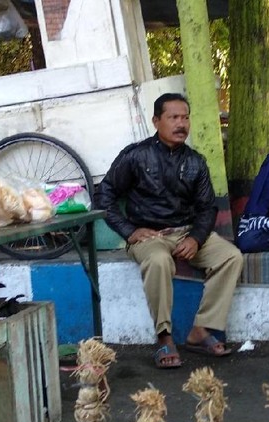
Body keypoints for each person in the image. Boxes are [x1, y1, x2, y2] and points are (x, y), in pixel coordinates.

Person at [96, 93, 243, 369]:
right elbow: (104, 196)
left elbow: (207, 208)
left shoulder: (196, 162)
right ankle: (164, 336)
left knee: (231, 256)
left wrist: (196, 238)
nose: (181, 124)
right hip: (150, 236)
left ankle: (202, 330)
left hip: (187, 231)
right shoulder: (136, 156)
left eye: (185, 117)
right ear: (156, 121)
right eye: (173, 117)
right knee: (159, 260)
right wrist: (129, 230)